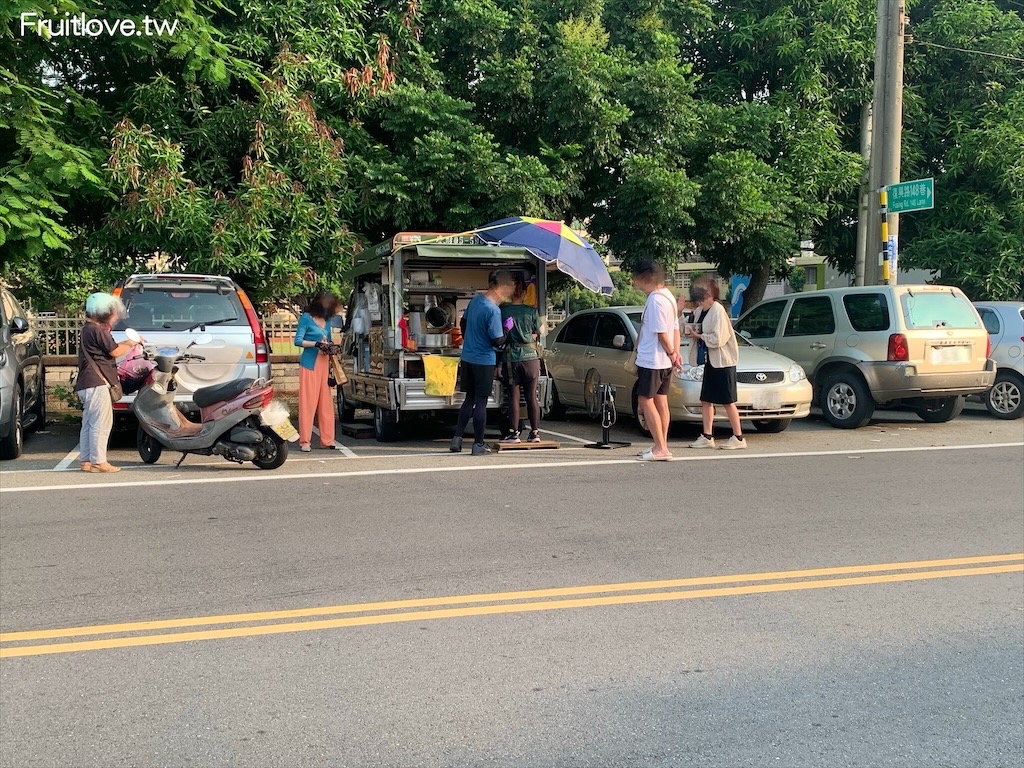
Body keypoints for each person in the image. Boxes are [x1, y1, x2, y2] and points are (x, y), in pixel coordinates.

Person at [450, 269, 516, 455]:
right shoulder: (493, 310)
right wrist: (507, 330)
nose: (509, 292)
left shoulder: (476, 301)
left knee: (468, 399)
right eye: (508, 287)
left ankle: (457, 438)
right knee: (480, 402)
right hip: (484, 360)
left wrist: (469, 339)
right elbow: (497, 341)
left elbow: (463, 323)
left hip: (468, 357)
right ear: (500, 286)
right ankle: (478, 444)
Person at [76, 292, 142, 473]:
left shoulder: (87, 329)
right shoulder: (97, 330)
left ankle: (87, 461)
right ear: (104, 312)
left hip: (86, 383)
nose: (115, 316)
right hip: (98, 383)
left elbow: (108, 348)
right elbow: (114, 352)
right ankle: (99, 462)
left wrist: (126, 342)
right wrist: (131, 343)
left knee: (89, 423)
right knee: (101, 423)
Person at [685, 278, 745, 449]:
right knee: (706, 400)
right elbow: (689, 329)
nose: (701, 301)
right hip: (710, 361)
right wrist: (680, 313)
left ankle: (738, 437)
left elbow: (719, 338)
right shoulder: (699, 311)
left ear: (711, 295)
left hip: (723, 362)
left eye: (703, 295)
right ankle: (707, 435)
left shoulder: (718, 311)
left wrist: (699, 336)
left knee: (727, 400)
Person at [632, 260, 683, 462]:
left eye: (636, 278)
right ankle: (661, 445)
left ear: (645, 278)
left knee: (645, 400)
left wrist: (671, 352)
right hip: (664, 361)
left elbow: (661, 333)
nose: (635, 282)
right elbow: (675, 329)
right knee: (661, 401)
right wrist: (675, 353)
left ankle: (661, 447)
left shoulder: (655, 300)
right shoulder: (668, 297)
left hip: (652, 359)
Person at [294, 292, 340, 452]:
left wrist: (330, 346)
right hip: (309, 364)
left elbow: (327, 339)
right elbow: (297, 340)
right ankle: (305, 441)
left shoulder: (327, 321)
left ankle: (327, 440)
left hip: (324, 363)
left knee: (326, 404)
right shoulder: (306, 318)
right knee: (308, 403)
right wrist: (315, 344)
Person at [499, 275, 542, 444]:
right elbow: (540, 331)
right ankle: (535, 433)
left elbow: (500, 337)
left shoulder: (503, 311)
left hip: (512, 358)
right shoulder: (531, 311)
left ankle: (514, 433)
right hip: (532, 358)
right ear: (524, 292)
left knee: (514, 397)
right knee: (532, 396)